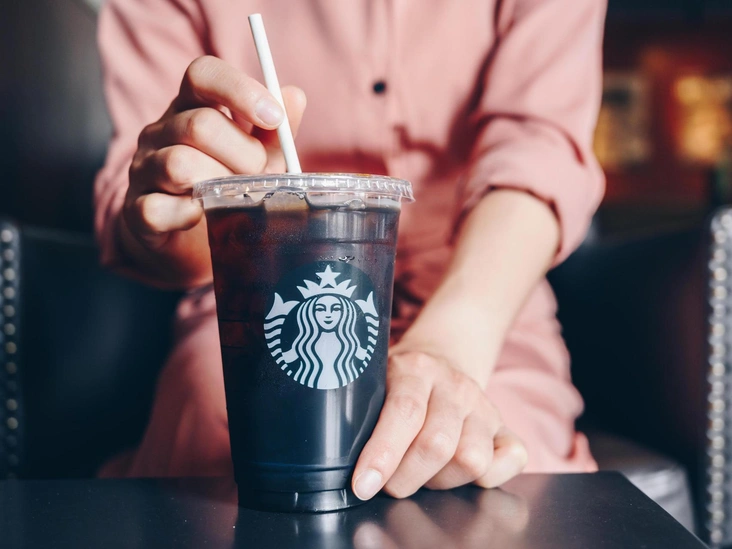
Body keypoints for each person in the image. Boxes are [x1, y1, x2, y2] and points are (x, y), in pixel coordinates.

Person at [95, 0, 607, 501]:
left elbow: (539, 148)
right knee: (218, 439)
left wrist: (451, 344)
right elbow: (147, 215)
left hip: (484, 291)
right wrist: (195, 195)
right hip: (258, 297)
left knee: (494, 466)